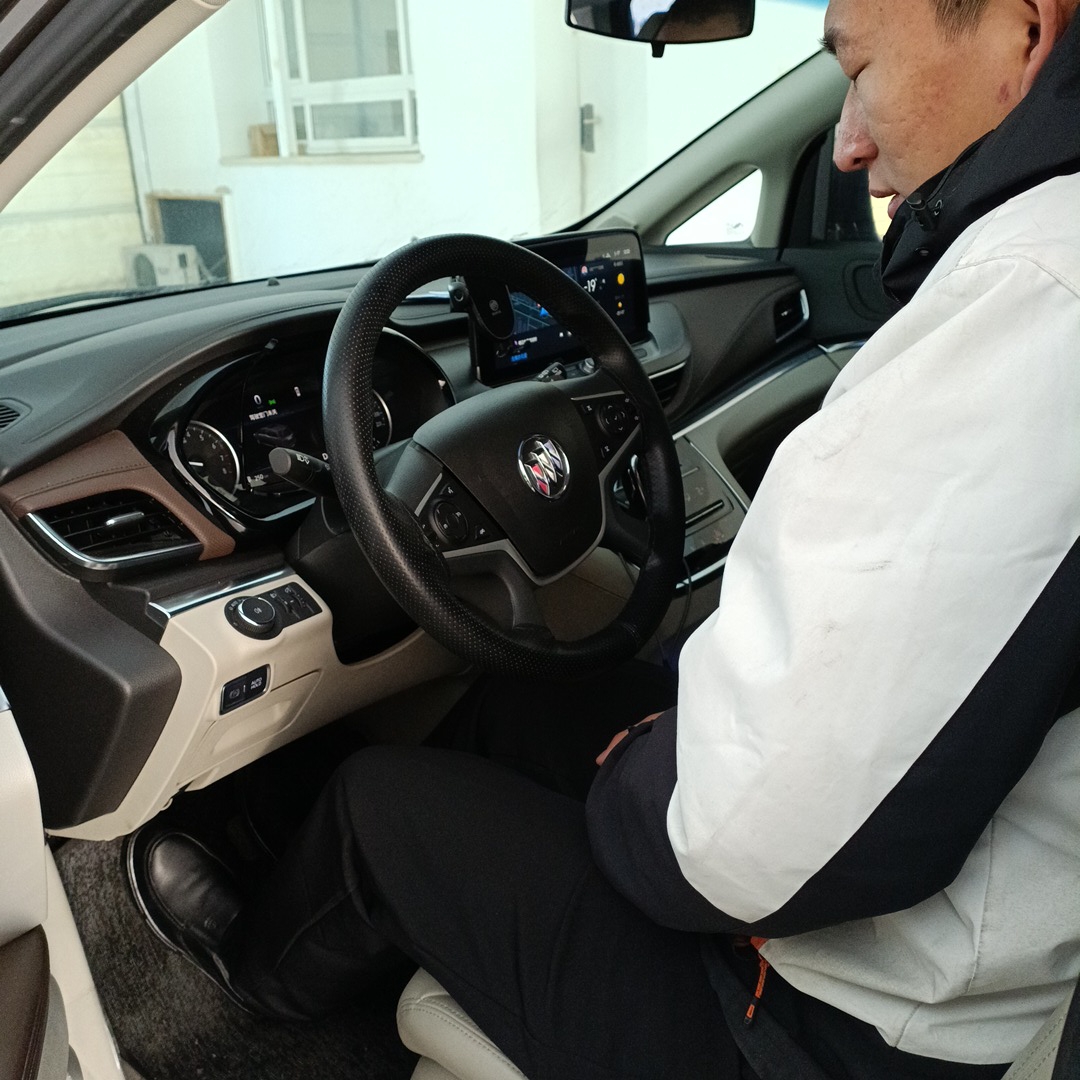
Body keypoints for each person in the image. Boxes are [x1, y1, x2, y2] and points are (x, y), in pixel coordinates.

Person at [128, 0, 1080, 1076]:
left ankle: (257, 978)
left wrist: (640, 774)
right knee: (522, 704)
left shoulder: (1034, 304)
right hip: (919, 951)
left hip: (814, 1026)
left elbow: (750, 848)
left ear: (1023, 33)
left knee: (377, 809)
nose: (848, 144)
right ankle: (332, 884)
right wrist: (658, 746)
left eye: (858, 74)